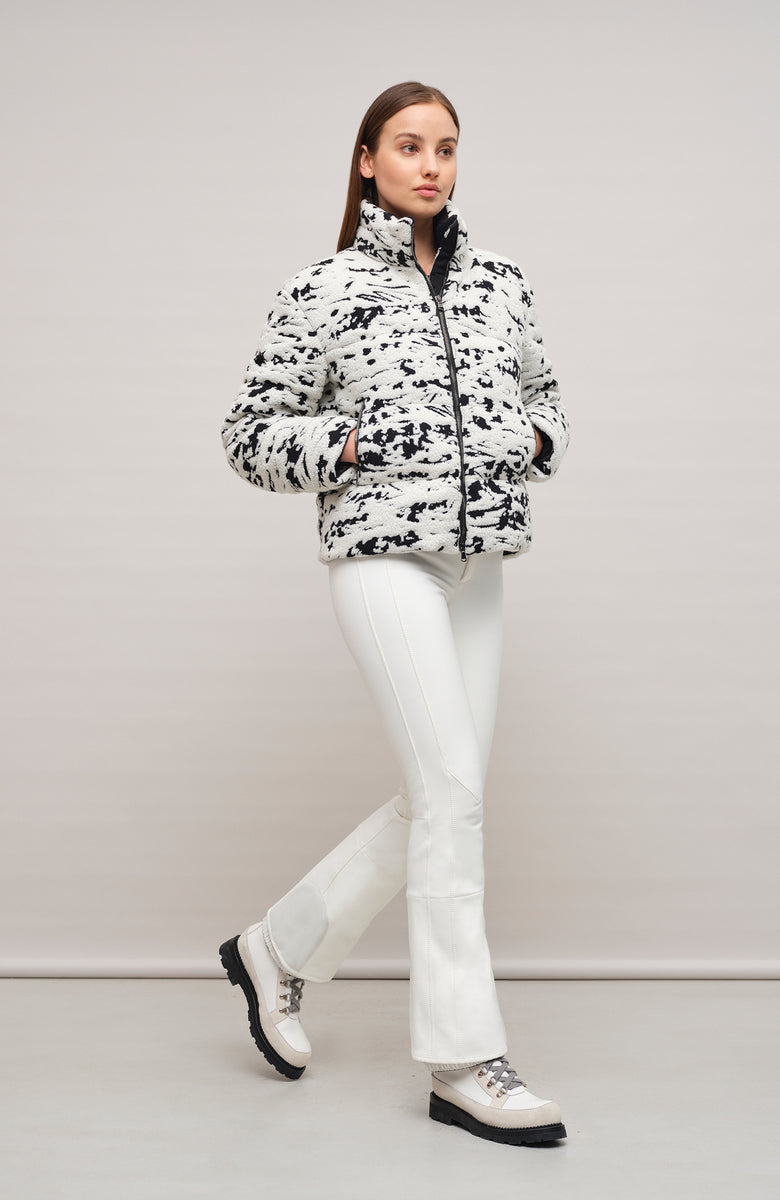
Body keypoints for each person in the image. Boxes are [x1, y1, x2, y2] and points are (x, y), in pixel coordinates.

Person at [218, 80, 571, 1147]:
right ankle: (463, 1058)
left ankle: (278, 948)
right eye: (409, 146)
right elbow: (249, 433)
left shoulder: (501, 282)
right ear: (368, 161)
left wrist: (534, 441)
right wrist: (352, 444)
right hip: (382, 556)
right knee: (451, 792)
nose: (430, 165)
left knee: (442, 798)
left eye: (446, 147)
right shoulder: (322, 289)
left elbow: (547, 400)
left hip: (479, 562)